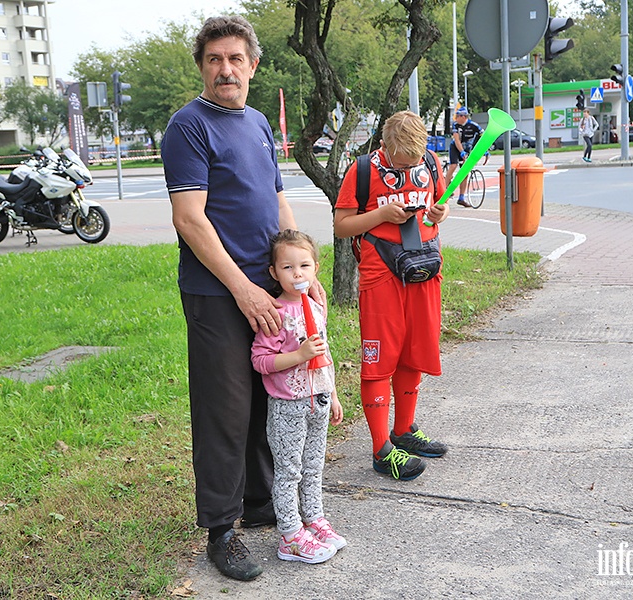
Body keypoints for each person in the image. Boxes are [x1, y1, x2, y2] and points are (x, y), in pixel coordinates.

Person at [162, 14, 323, 582]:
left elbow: (276, 198)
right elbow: (190, 218)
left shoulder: (256, 121)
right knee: (225, 410)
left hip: (267, 288)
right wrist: (242, 287)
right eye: (214, 59)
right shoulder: (188, 126)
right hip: (217, 291)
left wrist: (300, 268)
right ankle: (222, 529)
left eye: (235, 58)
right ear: (202, 67)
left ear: (253, 65)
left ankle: (258, 499)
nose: (225, 69)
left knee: (268, 395)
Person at [333, 110, 451, 482]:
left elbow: (435, 211)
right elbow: (341, 226)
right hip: (381, 273)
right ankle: (382, 449)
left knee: (414, 349)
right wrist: (382, 213)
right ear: (384, 147)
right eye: (400, 164)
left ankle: (404, 431)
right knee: (380, 357)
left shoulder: (429, 161)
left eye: (413, 163)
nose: (407, 169)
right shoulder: (363, 171)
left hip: (423, 268)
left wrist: (439, 212)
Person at [251, 229, 346, 565]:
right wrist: (298, 355)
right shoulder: (275, 314)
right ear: (274, 273)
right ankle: (290, 535)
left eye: (304, 266)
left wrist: (331, 393)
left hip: (317, 400)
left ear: (316, 268)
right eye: (288, 268)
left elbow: (326, 354)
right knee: (289, 471)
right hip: (288, 404)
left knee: (313, 467)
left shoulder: (316, 307)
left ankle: (314, 520)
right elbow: (260, 361)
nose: (297, 274)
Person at [446, 106, 484, 207]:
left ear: (463, 116)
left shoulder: (473, 125)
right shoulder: (455, 125)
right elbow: (457, 140)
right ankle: (445, 189)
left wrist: (484, 150)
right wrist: (462, 152)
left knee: (465, 172)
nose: (456, 118)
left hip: (467, 148)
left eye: (457, 116)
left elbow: (482, 136)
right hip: (455, 147)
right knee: (453, 166)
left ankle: (461, 197)